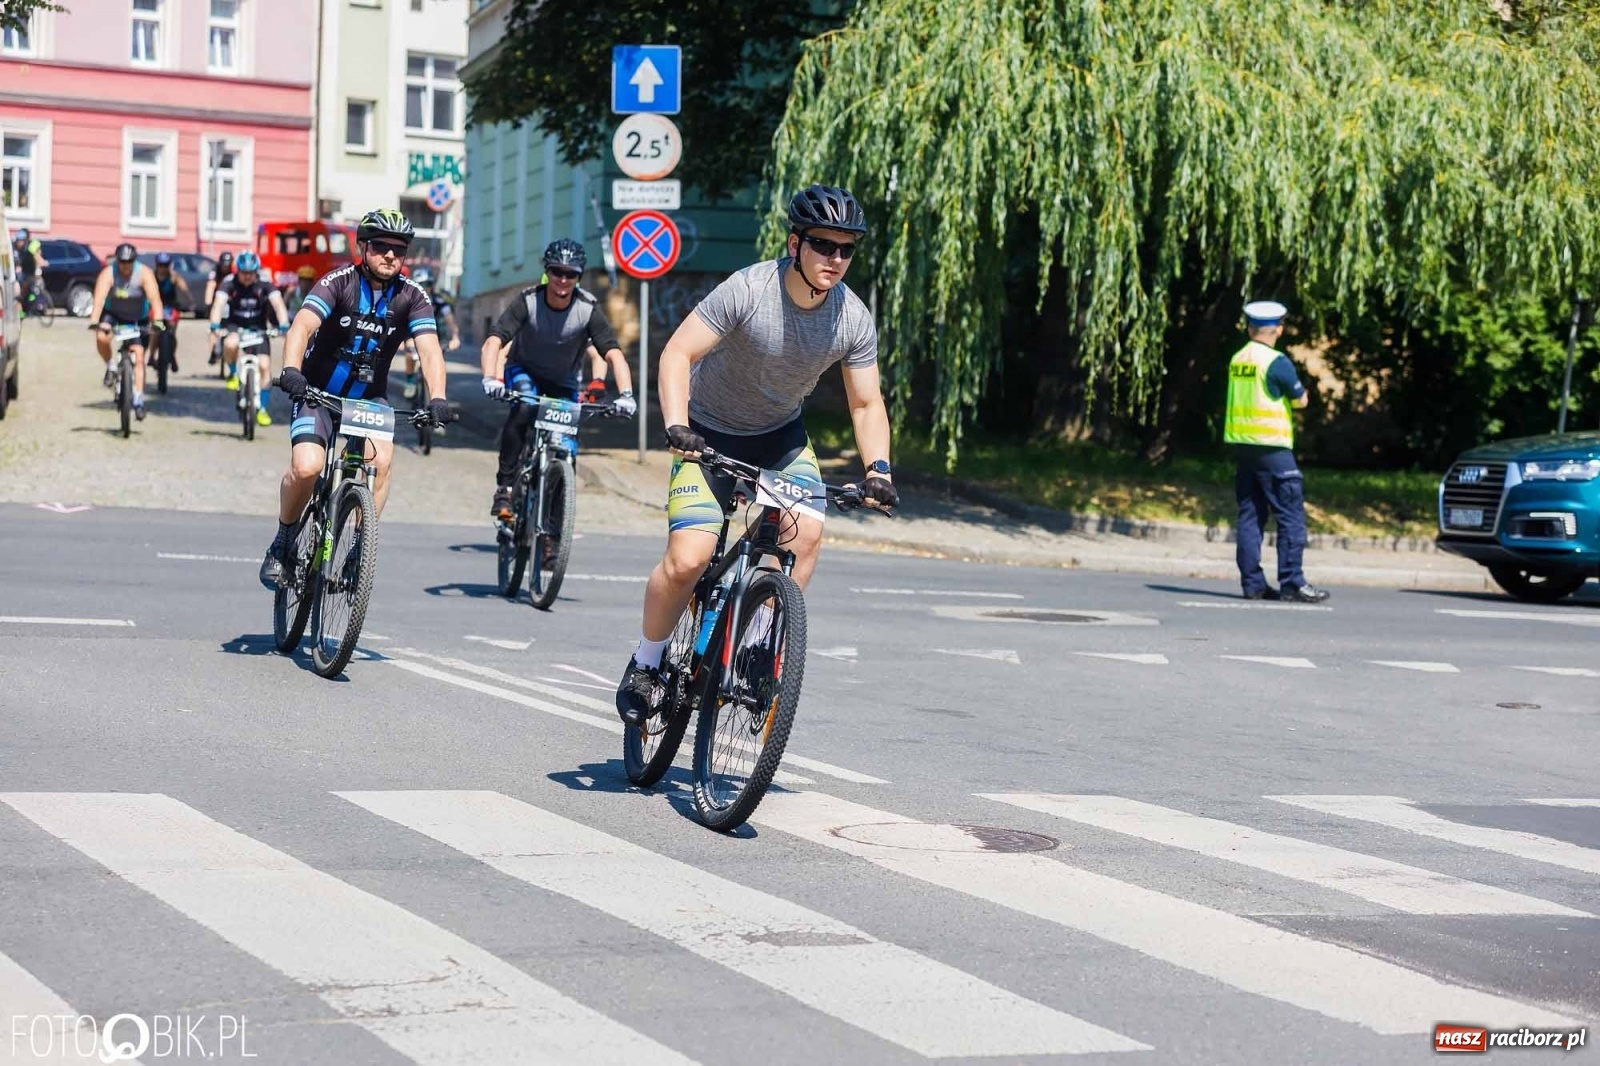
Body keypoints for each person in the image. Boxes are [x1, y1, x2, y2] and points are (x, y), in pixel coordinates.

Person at [613, 184, 898, 724]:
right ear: (796, 243)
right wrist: (676, 426)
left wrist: (878, 469)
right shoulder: (749, 289)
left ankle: (756, 647)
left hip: (780, 436)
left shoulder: (852, 318)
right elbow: (678, 352)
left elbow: (866, 403)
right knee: (689, 560)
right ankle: (646, 663)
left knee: (806, 532)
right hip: (707, 431)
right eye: (823, 245)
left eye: (846, 249)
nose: (835, 259)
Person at [258, 208, 450, 589]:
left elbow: (429, 351)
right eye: (381, 247)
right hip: (318, 392)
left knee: (383, 459)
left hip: (368, 401)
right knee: (308, 467)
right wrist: (292, 371)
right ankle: (283, 541)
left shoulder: (413, 297)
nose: (390, 255)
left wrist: (439, 397)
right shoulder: (339, 282)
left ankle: (358, 551)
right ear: (363, 247)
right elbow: (302, 326)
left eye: (400, 249)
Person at [479, 238, 636, 522]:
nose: (563, 279)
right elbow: (494, 340)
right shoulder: (528, 300)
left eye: (571, 273)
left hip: (563, 382)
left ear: (579, 276)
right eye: (557, 271)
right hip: (523, 370)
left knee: (567, 450)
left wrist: (626, 395)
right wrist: (491, 378)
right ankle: (504, 487)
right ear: (547, 271)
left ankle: (552, 531)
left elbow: (612, 353)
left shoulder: (587, 308)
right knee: (524, 406)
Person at [1223, 300, 1330, 603]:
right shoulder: (1276, 361)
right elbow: (1301, 400)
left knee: (1249, 515)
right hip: (1272, 447)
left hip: (1243, 446)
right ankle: (1292, 582)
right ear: (1279, 329)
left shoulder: (1238, 358)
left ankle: (1253, 584)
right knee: (1290, 515)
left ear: (1249, 327)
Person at [210, 251, 290, 426]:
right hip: (235, 326)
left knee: (264, 366)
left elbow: (278, 304)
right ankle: (232, 373)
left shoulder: (265, 285)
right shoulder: (229, 284)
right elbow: (218, 305)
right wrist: (215, 325)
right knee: (230, 344)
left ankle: (262, 409)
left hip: (258, 329)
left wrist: (283, 323)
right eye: (243, 273)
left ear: (256, 271)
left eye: (250, 273)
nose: (246, 277)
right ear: (237, 271)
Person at [89, 243, 166, 421]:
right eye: (122, 262)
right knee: (102, 335)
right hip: (113, 315)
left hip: (138, 318)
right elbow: (99, 299)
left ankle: (138, 399)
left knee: (139, 356)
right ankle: (111, 366)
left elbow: (155, 300)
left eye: (129, 263)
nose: (125, 267)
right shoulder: (109, 273)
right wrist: (94, 321)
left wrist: (158, 322)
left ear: (134, 261)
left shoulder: (144, 273)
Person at [401, 265, 461, 400]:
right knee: (410, 352)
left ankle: (434, 395)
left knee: (434, 358)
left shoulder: (438, 300)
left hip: (431, 334)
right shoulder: (407, 299)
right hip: (410, 333)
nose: (425, 288)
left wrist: (455, 337)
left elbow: (450, 319)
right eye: (422, 285)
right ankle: (410, 380)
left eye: (428, 284)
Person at [150, 252, 192, 373]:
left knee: (172, 332)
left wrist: (190, 301)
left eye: (165, 265)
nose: (163, 268)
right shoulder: (152, 277)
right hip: (155, 306)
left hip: (170, 307)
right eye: (160, 265)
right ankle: (152, 356)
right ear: (157, 265)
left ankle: (171, 355)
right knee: (155, 331)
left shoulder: (173, 277)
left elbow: (184, 288)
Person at [205, 251, 235, 365]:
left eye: (228, 265)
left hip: (231, 302)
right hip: (216, 301)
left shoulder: (235, 273)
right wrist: (208, 303)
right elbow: (210, 287)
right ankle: (213, 351)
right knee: (213, 328)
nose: (225, 268)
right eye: (224, 265)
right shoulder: (214, 272)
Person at [12, 228, 47, 312]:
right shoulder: (15, 249)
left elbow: (37, 256)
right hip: (21, 275)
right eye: (18, 241)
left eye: (21, 241)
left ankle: (35, 306)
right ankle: (23, 309)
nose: (19, 243)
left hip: (30, 273)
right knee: (21, 289)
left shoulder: (30, 247)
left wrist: (42, 263)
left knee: (33, 289)